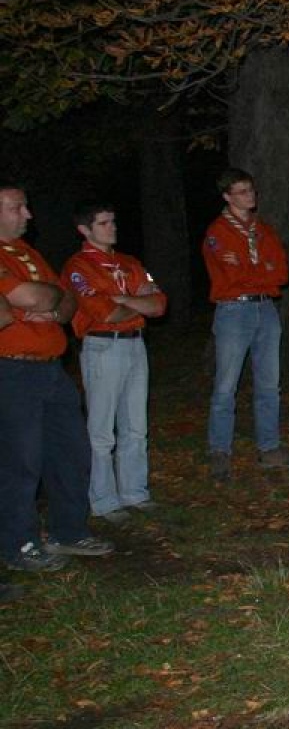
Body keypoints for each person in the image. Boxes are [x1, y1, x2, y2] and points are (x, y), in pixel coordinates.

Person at [1, 185, 115, 572]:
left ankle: (69, 530)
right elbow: (31, 297)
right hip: (13, 370)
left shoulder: (27, 253)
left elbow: (66, 301)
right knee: (20, 460)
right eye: (17, 207)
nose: (28, 214)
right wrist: (40, 300)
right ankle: (19, 543)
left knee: (71, 451)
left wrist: (44, 304)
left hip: (52, 368)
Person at [64, 201, 167, 524]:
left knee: (136, 424)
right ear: (85, 229)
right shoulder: (79, 267)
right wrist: (136, 303)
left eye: (113, 221)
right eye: (104, 223)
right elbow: (104, 312)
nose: (112, 228)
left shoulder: (130, 262)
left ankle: (135, 491)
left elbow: (159, 304)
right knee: (102, 428)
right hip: (103, 347)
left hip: (136, 344)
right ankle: (103, 499)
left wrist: (124, 300)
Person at [203, 168, 289, 479]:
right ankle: (220, 449)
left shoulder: (264, 231)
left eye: (251, 190)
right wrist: (260, 269)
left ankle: (269, 447)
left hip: (266, 309)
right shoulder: (218, 232)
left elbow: (281, 273)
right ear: (227, 196)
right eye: (242, 191)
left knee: (269, 383)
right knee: (226, 384)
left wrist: (251, 268)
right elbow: (231, 276)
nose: (250, 196)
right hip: (234, 311)